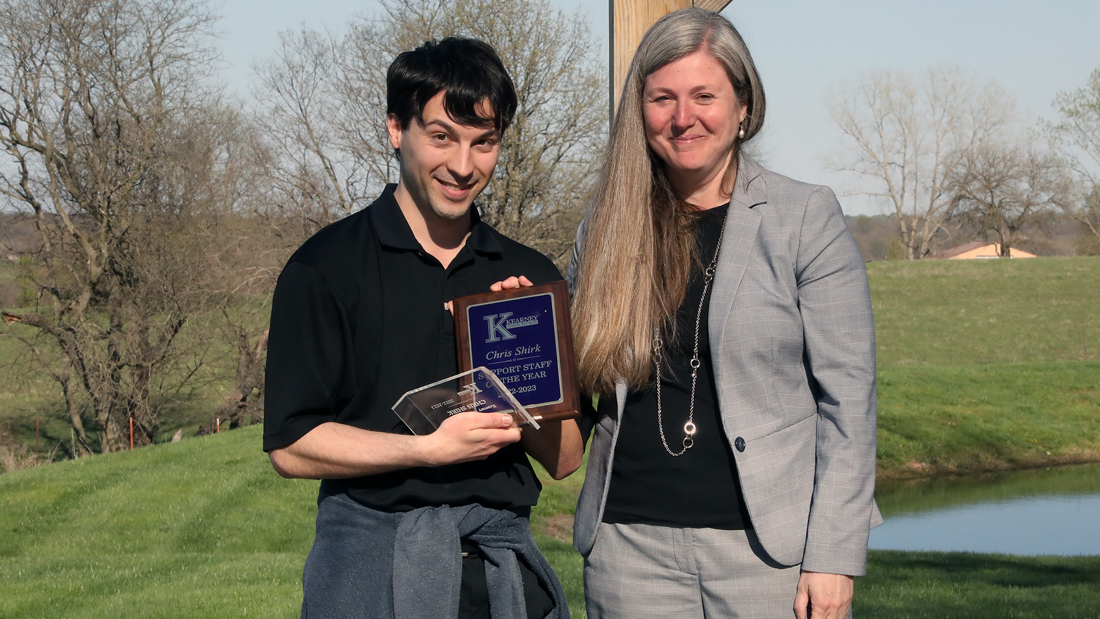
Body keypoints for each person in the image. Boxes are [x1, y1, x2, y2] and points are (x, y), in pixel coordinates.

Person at [568, 9, 880, 619]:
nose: (683, 117)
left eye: (704, 96)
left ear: (744, 106)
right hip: (629, 552)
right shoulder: (604, 226)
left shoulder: (804, 218)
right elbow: (576, 380)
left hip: (769, 556)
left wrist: (833, 556)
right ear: (640, 111)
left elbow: (849, 400)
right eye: (663, 98)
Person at [263, 37, 583, 619]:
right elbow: (290, 445)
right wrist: (428, 451)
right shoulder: (325, 267)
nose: (463, 166)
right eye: (441, 136)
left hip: (498, 568)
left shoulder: (528, 275)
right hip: (369, 568)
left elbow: (565, 460)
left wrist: (521, 363)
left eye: (483, 142)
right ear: (396, 128)